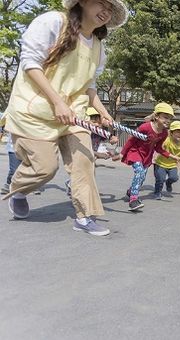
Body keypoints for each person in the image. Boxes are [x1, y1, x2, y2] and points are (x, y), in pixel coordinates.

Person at [1, 0, 129, 236]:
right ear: (82, 2)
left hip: (74, 113)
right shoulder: (53, 22)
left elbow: (89, 86)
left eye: (110, 8)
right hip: (35, 111)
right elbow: (30, 63)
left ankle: (84, 216)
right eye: (101, 3)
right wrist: (57, 102)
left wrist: (102, 112)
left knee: (84, 160)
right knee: (45, 169)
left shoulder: (98, 47)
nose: (106, 11)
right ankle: (19, 189)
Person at [121, 102, 180, 211]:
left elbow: (158, 148)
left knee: (142, 177)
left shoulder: (164, 133)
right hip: (136, 153)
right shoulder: (145, 127)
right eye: (165, 117)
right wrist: (122, 153)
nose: (168, 120)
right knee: (139, 172)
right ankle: (133, 200)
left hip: (147, 156)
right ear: (157, 116)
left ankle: (131, 192)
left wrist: (172, 156)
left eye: (170, 118)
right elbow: (131, 140)